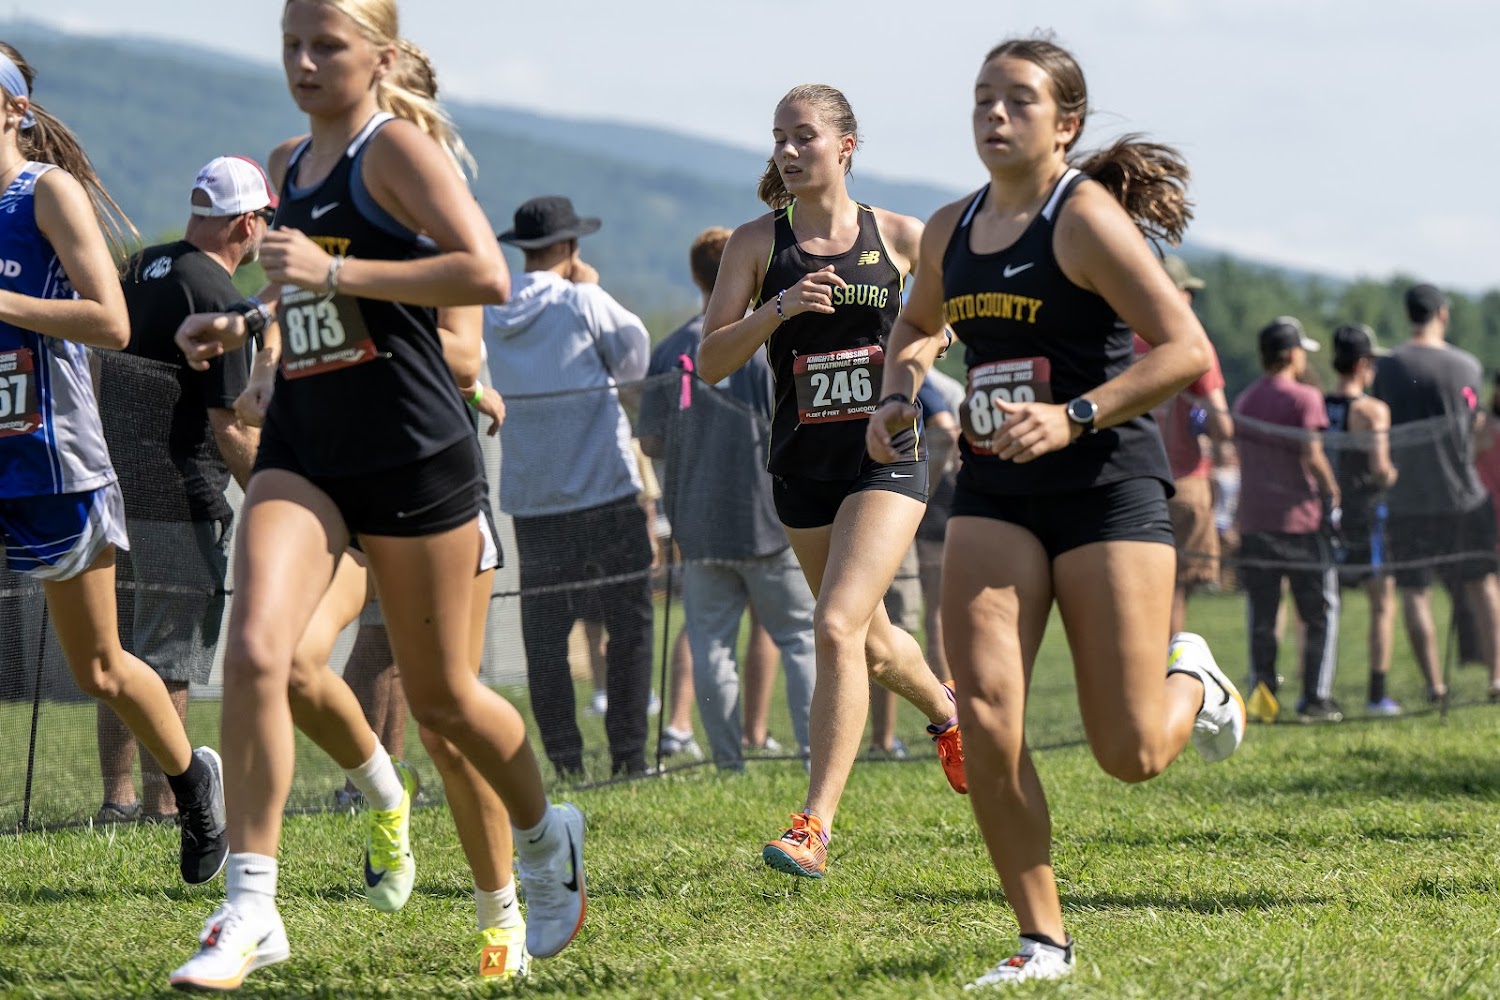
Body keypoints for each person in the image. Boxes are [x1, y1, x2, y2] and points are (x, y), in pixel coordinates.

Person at [168, 3, 585, 988]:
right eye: (291, 45)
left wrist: (337, 268)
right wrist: (246, 324)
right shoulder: (290, 161)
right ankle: (251, 904)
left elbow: (485, 274)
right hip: (308, 444)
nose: (304, 63)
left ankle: (542, 834)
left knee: (443, 701)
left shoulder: (392, 150)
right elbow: (303, 290)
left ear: (380, 57)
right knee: (260, 650)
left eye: (327, 46)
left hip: (410, 451)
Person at [866, 38, 1245, 986]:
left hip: (1104, 486)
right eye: (982, 98)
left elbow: (1185, 349)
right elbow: (917, 322)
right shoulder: (949, 228)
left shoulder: (1085, 220)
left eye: (1018, 100)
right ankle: (1043, 943)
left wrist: (1073, 414)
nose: (994, 114)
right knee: (988, 722)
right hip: (994, 492)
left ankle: (1194, 681)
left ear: (1065, 124)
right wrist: (897, 392)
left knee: (1130, 752)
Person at [699, 83, 965, 880]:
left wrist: (925, 348)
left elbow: (947, 325)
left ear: (846, 145)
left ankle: (813, 826)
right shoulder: (755, 243)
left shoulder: (902, 236)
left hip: (886, 455)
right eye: (778, 137)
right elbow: (711, 361)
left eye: (804, 136)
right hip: (802, 466)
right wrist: (778, 308)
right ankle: (949, 714)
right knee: (870, 642)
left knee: (836, 624)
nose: (787, 150)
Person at [0, 40, 227, 883]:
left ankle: (192, 784)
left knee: (99, 667)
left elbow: (113, 321)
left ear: (15, 108)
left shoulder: (44, 193)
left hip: (52, 461)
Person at [95, 156, 267, 823]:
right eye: (265, 219)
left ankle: (118, 801)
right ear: (246, 223)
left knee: (117, 657)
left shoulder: (138, 268)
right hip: (179, 497)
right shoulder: (220, 297)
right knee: (167, 660)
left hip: (112, 490)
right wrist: (277, 503)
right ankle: (167, 805)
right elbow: (232, 427)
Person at [484, 194, 654, 778]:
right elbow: (635, 365)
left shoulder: (491, 308)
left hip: (534, 500)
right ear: (568, 246)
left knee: (545, 637)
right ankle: (629, 755)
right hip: (604, 490)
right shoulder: (583, 299)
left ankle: (564, 760)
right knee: (630, 625)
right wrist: (592, 288)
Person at [638, 225, 817, 772]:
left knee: (710, 643)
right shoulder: (770, 343)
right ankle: (817, 756)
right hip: (771, 517)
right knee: (800, 638)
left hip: (698, 520)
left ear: (697, 278)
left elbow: (650, 441)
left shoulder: (671, 349)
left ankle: (726, 762)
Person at [1373, 283, 1500, 702]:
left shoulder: (1388, 366)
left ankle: (1435, 686)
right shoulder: (1467, 366)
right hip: (1463, 493)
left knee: (1415, 590)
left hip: (1407, 496)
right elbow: (1475, 430)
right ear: (1442, 314)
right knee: (1483, 583)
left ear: (1408, 313)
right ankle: (1497, 678)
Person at [1233, 317, 1342, 722]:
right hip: (1301, 520)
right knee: (1318, 612)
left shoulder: (1245, 399)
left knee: (1262, 615)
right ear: (1293, 354)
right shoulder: (1305, 398)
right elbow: (1312, 454)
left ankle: (1264, 698)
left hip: (1255, 519)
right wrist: (1333, 491)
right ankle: (1315, 697)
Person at [1144, 256, 1233, 635]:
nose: (1191, 300)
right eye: (1187, 292)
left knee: (1139, 586)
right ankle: (1166, 665)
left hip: (1130, 480)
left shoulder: (1122, 340)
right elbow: (1223, 424)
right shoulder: (1192, 343)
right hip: (1183, 482)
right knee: (1175, 589)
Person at [1323, 323, 1401, 715]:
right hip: (1366, 515)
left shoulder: (1318, 404)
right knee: (1382, 603)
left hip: (1326, 515)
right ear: (1361, 364)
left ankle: (1316, 688)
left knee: (1320, 604)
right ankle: (1376, 694)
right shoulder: (1373, 411)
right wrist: (1395, 474)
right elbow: (1380, 469)